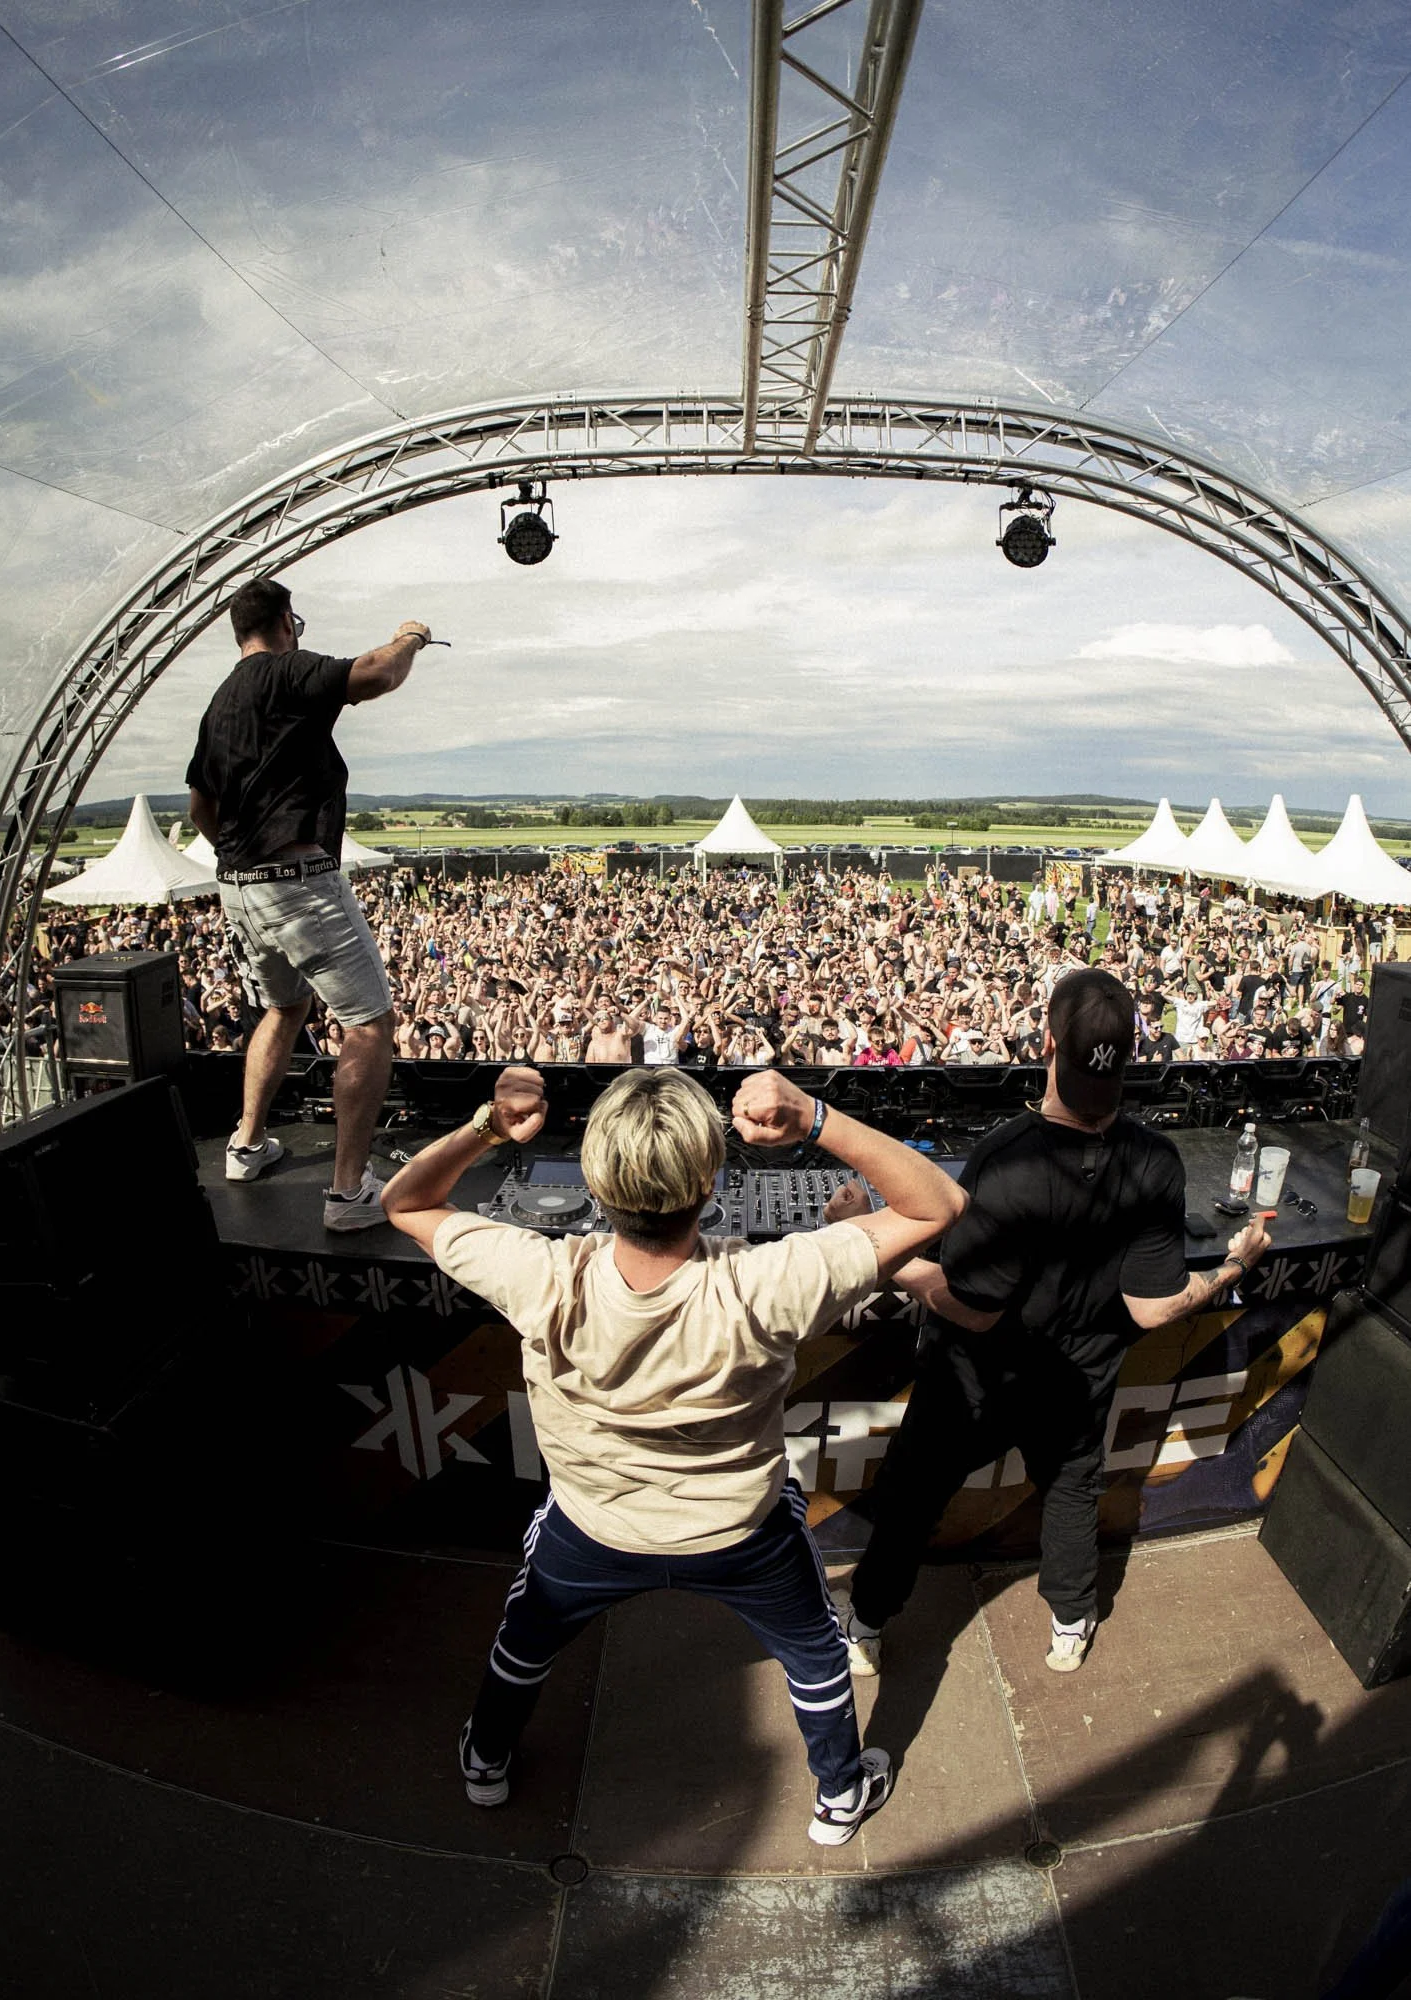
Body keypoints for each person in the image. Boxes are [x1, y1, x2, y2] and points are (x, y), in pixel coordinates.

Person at [381, 1063, 966, 1845]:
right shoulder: (771, 1281)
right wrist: (815, 1118)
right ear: (713, 1178)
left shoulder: (539, 1273)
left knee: (524, 1639)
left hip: (590, 1528)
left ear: (593, 1180)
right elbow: (939, 1204)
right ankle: (837, 1796)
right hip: (741, 1532)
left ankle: (486, 1760)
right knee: (817, 1656)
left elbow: (404, 1202)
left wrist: (490, 1127)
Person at [828, 969, 1270, 1680]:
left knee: (913, 1496)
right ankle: (1071, 1621)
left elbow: (972, 1302)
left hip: (977, 1378)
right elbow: (1153, 1309)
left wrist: (872, 1248)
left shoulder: (1010, 1158)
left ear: (1047, 1044)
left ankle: (867, 1622)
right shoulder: (1156, 1161)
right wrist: (1234, 1267)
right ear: (1131, 1055)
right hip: (1078, 1381)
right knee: (1070, 1489)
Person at [186, 575, 435, 1231]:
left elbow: (200, 809)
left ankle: (246, 1144)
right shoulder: (284, 673)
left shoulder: (221, 703)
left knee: (284, 1005)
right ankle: (349, 1192)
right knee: (369, 1023)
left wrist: (241, 859)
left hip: (237, 885)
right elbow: (378, 674)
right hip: (297, 881)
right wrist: (412, 635)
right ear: (287, 622)